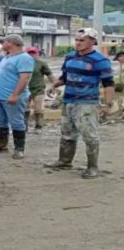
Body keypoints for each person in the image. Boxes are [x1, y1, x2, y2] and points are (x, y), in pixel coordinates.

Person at [45, 28, 114, 179]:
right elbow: (65, 77)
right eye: (76, 40)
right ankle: (64, 161)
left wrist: (108, 104)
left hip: (87, 103)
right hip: (68, 100)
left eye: (82, 40)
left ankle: (92, 167)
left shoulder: (100, 61)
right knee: (67, 133)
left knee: (90, 135)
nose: (78, 43)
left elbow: (108, 83)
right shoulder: (70, 57)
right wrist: (54, 86)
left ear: (92, 42)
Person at [0, 34, 34, 159]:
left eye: (4, 42)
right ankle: (1, 144)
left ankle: (19, 149)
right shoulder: (7, 57)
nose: (2, 44)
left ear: (11, 43)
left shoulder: (24, 58)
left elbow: (24, 78)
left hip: (11, 96)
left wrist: (15, 95)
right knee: (0, 121)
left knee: (16, 122)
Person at [25, 46, 56, 131]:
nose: (31, 55)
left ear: (37, 54)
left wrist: (55, 86)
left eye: (33, 53)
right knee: (25, 109)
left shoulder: (41, 63)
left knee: (38, 109)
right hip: (25, 89)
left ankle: (39, 126)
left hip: (38, 89)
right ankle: (24, 127)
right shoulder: (22, 63)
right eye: (29, 53)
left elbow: (50, 75)